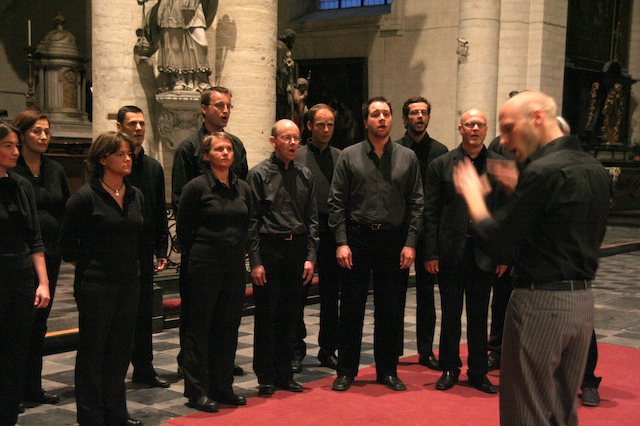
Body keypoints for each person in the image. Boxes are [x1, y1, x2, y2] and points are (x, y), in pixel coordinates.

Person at [453, 91, 612, 425]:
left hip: (541, 303)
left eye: (509, 128)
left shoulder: (543, 172)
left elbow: (498, 243)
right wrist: (522, 191)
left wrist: (474, 198)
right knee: (560, 411)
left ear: (537, 118)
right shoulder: (592, 167)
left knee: (525, 412)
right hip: (581, 303)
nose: (504, 140)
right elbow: (563, 227)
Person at [328, 97, 423, 392]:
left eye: (386, 114)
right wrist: (341, 242)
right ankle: (346, 371)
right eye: (375, 114)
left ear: (392, 119)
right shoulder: (349, 156)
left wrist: (410, 243)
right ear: (366, 121)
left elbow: (417, 203)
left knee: (390, 308)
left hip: (393, 239)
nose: (381, 118)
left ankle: (387, 371)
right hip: (357, 237)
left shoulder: (407, 157)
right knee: (351, 307)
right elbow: (336, 202)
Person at [59, 132, 145, 426]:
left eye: (129, 154)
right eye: (121, 154)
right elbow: (67, 245)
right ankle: (91, 416)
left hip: (128, 282)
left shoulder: (135, 194)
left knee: (120, 350)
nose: (127, 159)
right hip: (96, 284)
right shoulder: (85, 197)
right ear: (103, 159)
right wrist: (93, 263)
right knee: (93, 350)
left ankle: (116, 412)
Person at [424, 108, 505, 394]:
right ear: (460, 129)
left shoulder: (499, 165)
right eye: (469, 124)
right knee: (450, 314)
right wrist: (431, 253)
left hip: (484, 252)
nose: (474, 129)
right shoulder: (441, 164)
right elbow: (431, 212)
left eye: (479, 124)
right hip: (451, 251)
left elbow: (504, 212)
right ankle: (449, 368)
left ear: (486, 130)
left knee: (479, 316)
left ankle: (478, 371)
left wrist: (504, 255)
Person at [171, 86, 248, 376]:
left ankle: (220, 363)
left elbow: (242, 189)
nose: (225, 111)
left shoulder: (236, 145)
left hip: (230, 247)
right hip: (202, 247)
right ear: (203, 109)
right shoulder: (188, 148)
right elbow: (181, 200)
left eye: (228, 106)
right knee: (197, 313)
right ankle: (191, 364)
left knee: (226, 313)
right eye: (219, 105)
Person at [176, 132, 251, 412]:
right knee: (199, 328)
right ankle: (197, 391)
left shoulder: (242, 187)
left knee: (228, 327)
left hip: (233, 267)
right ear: (207, 156)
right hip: (204, 266)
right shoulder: (196, 187)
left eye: (229, 149)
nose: (225, 153)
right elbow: (184, 230)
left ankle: (223, 386)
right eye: (219, 149)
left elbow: (249, 222)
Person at [246, 119, 319, 395]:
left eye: (296, 138)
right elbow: (252, 221)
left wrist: (310, 256)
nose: (292, 143)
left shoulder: (305, 174)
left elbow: (312, 219)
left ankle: (285, 373)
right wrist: (255, 261)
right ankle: (266, 376)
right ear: (273, 141)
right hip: (270, 248)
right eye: (286, 138)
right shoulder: (258, 175)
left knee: (291, 314)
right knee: (267, 315)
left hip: (296, 249)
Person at [10, 111, 69, 407]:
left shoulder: (55, 169)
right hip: (20, 256)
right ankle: (13, 390)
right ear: (22, 135)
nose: (44, 136)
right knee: (18, 325)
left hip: (51, 255)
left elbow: (65, 208)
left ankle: (33, 385)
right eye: (37, 131)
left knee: (39, 324)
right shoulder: (12, 169)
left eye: (47, 131)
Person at [116, 106, 170, 389]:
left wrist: (162, 249)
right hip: (117, 250)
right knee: (120, 313)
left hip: (144, 248)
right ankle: (113, 372)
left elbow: (159, 210)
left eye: (141, 123)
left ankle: (144, 368)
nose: (138, 129)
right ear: (119, 127)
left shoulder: (153, 168)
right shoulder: (112, 165)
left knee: (144, 312)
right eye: (132, 124)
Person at [0, 123, 50, 426]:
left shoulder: (21, 186)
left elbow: (34, 238)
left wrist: (43, 282)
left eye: (16, 145)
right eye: (8, 146)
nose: (16, 152)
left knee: (16, 351)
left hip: (20, 278)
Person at [394, 96, 448, 371]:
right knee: (395, 294)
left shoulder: (440, 151)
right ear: (405, 118)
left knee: (427, 295)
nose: (419, 117)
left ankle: (426, 351)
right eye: (414, 113)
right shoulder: (395, 149)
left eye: (424, 112)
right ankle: (393, 350)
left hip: (429, 232)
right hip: (400, 231)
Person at [292, 104, 342, 373]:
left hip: (332, 233)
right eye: (320, 124)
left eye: (330, 124)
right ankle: (296, 349)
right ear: (309, 126)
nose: (325, 130)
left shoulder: (340, 157)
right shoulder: (297, 155)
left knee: (330, 295)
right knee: (298, 295)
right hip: (304, 234)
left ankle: (328, 349)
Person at [146, 0, 218, 92]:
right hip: (171, 8)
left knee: (201, 45)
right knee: (174, 46)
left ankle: (200, 80)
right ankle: (178, 80)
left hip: (194, 6)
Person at [276, 29, 296, 120]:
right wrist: (288, 68)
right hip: (282, 86)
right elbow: (279, 67)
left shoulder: (283, 48)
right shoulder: (280, 47)